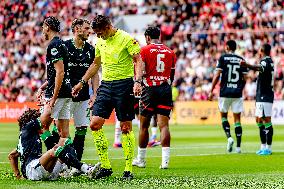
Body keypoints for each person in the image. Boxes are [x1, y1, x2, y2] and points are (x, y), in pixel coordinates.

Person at [72, 15, 142, 180]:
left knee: (125, 127)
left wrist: (137, 81)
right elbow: (96, 64)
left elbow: (138, 61)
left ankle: (128, 169)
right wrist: (82, 82)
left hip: (124, 85)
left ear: (108, 27)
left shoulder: (126, 38)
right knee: (95, 124)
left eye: (99, 32)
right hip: (106, 85)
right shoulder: (100, 42)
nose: (97, 36)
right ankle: (105, 166)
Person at [35, 16, 92, 174]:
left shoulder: (54, 45)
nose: (42, 31)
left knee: (41, 126)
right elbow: (62, 72)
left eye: (43, 27)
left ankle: (56, 161)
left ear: (47, 27)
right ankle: (64, 166)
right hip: (66, 93)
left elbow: (60, 72)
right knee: (64, 134)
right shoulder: (63, 45)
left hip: (58, 94)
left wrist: (52, 98)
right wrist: (44, 85)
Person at [8, 109, 98, 181]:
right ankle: (86, 169)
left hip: (43, 171)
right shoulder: (28, 126)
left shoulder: (26, 137)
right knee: (56, 149)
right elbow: (47, 115)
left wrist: (18, 176)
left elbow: (12, 155)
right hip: (32, 170)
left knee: (64, 143)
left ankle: (67, 169)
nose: (43, 125)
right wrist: (53, 101)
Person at [132, 26, 176, 169]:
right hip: (164, 89)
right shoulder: (170, 52)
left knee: (144, 125)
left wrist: (138, 82)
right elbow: (172, 76)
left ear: (147, 37)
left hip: (149, 89)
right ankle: (165, 163)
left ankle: (141, 160)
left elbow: (141, 69)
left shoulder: (143, 50)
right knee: (164, 125)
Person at [64, 18, 99, 176]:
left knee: (81, 130)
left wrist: (95, 94)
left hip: (84, 97)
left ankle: (76, 166)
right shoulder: (64, 47)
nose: (89, 31)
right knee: (63, 133)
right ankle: (68, 163)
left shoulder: (91, 49)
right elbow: (57, 71)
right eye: (86, 28)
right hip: (65, 96)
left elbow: (95, 74)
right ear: (77, 29)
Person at [208, 40, 248, 153]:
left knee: (224, 117)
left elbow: (217, 76)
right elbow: (245, 79)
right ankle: (239, 147)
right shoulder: (241, 59)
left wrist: (211, 91)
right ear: (235, 48)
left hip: (225, 92)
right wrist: (240, 88)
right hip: (237, 93)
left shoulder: (222, 58)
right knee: (237, 120)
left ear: (227, 47)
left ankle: (229, 138)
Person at [240, 44, 274, 155]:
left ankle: (268, 148)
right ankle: (263, 146)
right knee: (259, 120)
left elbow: (258, 67)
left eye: (259, 49)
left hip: (265, 95)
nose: (258, 50)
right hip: (262, 95)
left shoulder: (265, 61)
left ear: (262, 50)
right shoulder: (269, 61)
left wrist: (247, 65)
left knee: (266, 120)